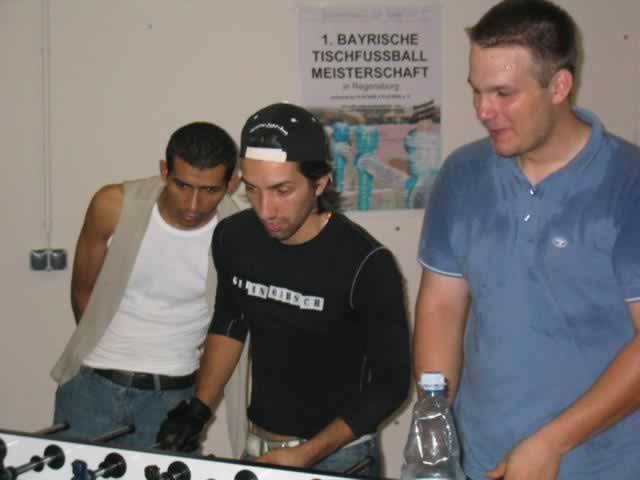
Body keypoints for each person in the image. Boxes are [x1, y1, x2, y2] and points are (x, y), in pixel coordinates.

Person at [414, 1, 640, 479]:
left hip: (599, 463)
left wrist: (553, 442)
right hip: (479, 458)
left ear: (559, 86)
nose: (483, 111)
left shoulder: (629, 184)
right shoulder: (463, 174)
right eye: (476, 91)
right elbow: (441, 307)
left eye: (503, 93)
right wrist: (434, 419)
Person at [157, 103, 410, 476]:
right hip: (258, 447)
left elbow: (391, 383)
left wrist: (309, 453)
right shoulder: (234, 238)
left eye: (282, 190)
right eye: (252, 190)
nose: (266, 210)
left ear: (319, 183)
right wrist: (199, 409)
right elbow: (230, 321)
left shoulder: (365, 263)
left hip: (339, 459)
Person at [50, 121, 249, 453]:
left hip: (173, 400)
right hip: (91, 388)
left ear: (232, 183)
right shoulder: (113, 205)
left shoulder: (239, 236)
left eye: (210, 191)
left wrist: (198, 409)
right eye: (182, 185)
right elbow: (83, 290)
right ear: (164, 171)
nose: (193, 205)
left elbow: (228, 329)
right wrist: (109, 355)